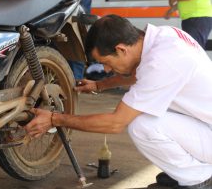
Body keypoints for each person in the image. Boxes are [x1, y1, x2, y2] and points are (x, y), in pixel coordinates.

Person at [24, 15, 212, 189]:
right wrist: (100, 85)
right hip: (203, 123)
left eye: (105, 61)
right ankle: (185, 171)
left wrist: (56, 119)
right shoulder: (161, 38)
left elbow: (115, 123)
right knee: (146, 114)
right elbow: (142, 73)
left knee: (142, 125)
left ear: (121, 49)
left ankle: (197, 179)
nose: (105, 69)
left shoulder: (163, 61)